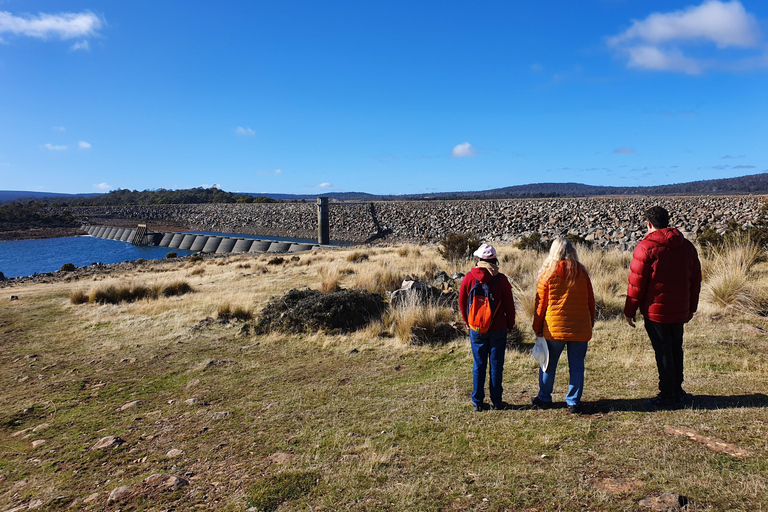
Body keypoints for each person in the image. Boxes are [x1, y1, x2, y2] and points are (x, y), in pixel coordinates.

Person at [624, 206, 702, 409]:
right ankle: (677, 390)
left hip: (655, 311)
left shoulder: (645, 248)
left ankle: (667, 394)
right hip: (680, 309)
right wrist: (691, 307)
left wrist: (629, 311)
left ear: (649, 224)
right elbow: (695, 279)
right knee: (676, 348)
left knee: (663, 351)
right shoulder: (686, 246)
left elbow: (636, 283)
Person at [531, 238, 595, 414]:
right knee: (577, 365)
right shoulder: (582, 272)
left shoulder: (548, 274)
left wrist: (537, 327)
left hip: (554, 330)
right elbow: (591, 301)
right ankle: (573, 402)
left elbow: (540, 305)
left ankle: (544, 398)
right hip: (580, 328)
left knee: (548, 365)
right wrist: (591, 321)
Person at [458, 243, 516, 412]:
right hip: (498, 328)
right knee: (497, 365)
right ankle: (497, 401)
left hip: (476, 327)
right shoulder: (501, 279)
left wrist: (467, 321)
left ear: (479, 259)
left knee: (479, 364)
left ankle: (477, 402)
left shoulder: (469, 277)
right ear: (495, 259)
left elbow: (462, 301)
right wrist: (510, 325)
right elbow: (509, 306)